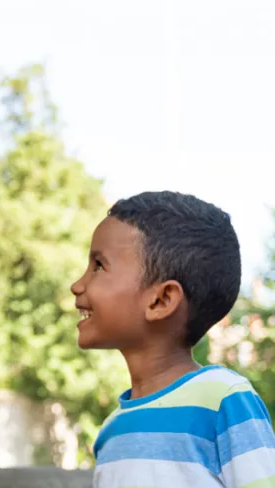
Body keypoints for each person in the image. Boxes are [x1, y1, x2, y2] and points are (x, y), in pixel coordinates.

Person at [71, 191, 275, 487]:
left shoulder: (222, 399)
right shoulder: (111, 431)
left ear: (161, 300)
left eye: (99, 266)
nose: (77, 285)